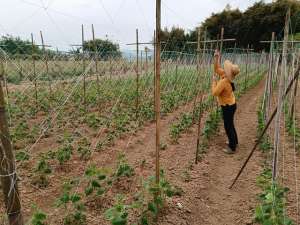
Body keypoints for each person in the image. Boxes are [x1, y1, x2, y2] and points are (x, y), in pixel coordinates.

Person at [211, 50, 240, 154]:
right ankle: (234, 141)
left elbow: (215, 92)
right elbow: (216, 68)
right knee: (230, 124)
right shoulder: (226, 76)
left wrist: (214, 81)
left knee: (228, 126)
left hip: (228, 106)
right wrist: (216, 58)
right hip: (232, 104)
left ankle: (232, 147)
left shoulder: (224, 82)